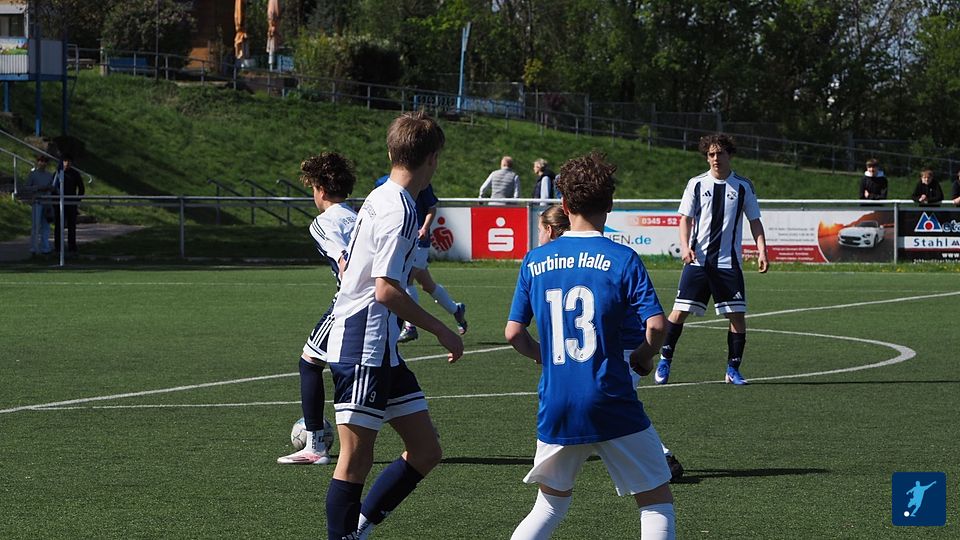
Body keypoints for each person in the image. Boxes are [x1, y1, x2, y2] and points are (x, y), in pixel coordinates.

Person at [506, 152, 675, 540]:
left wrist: (546, 357)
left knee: (548, 507)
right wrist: (643, 356)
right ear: (610, 205)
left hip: (557, 403)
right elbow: (656, 325)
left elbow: (514, 333)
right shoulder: (623, 258)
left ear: (564, 205)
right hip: (610, 398)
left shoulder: (535, 261)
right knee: (655, 503)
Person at [323, 112, 464, 540]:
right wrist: (442, 329)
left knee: (425, 450)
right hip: (362, 344)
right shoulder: (400, 209)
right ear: (433, 159)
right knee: (355, 459)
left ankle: (358, 528)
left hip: (380, 345)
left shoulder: (381, 196)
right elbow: (385, 290)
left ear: (391, 153)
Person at [537, 204, 684, 483]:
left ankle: (662, 460)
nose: (539, 237)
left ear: (550, 230)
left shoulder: (548, 261)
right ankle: (659, 462)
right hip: (616, 343)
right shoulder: (594, 256)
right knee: (611, 405)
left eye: (540, 231)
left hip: (615, 346)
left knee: (609, 404)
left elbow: (515, 331)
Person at [655, 133, 769, 387]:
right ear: (707, 157)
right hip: (698, 262)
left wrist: (762, 250)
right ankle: (665, 360)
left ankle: (733, 369)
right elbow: (685, 219)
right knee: (679, 312)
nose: (716, 158)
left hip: (728, 263)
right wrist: (685, 247)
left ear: (730, 155)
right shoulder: (696, 184)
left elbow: (755, 221)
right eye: (711, 154)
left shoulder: (743, 186)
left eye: (720, 153)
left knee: (737, 316)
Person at [276, 152, 358, 466]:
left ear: (320, 189)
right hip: (383, 302)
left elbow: (343, 260)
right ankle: (421, 431)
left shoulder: (323, 223)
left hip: (350, 304)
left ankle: (314, 446)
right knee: (374, 368)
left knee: (310, 362)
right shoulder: (358, 216)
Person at [373, 174, 468, 343]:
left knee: (406, 280)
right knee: (427, 285)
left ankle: (410, 327)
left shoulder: (421, 182)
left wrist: (424, 228)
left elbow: (432, 208)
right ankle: (456, 309)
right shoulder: (382, 183)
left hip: (418, 241)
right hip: (398, 239)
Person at [53, 154, 85, 253]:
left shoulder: (75, 174)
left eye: (69, 161)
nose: (67, 163)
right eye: (65, 161)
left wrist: (77, 201)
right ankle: (58, 247)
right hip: (59, 204)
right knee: (59, 226)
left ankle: (72, 247)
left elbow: (81, 188)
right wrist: (54, 202)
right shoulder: (57, 173)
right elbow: (53, 188)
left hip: (71, 203)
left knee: (71, 226)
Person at [23, 155, 54, 255]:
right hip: (37, 201)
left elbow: (54, 188)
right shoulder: (33, 174)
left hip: (47, 202)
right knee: (36, 225)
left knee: (46, 226)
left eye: (45, 161)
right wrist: (38, 188)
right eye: (41, 161)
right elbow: (27, 187)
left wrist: (50, 188)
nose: (43, 163)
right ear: (37, 162)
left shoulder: (49, 175)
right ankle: (34, 247)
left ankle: (45, 248)